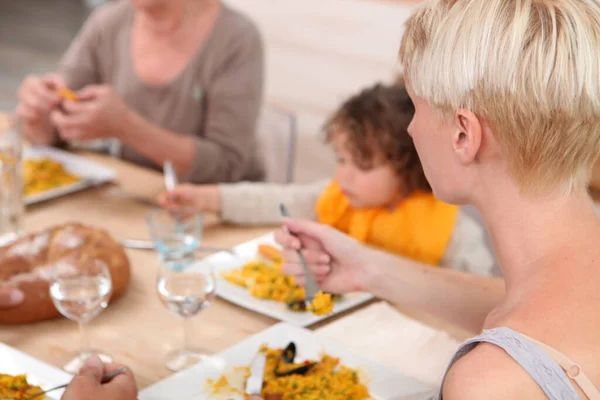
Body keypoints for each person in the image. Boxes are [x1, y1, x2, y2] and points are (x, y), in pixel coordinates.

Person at [275, 0, 600, 399]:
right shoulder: (562, 287)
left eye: (416, 106)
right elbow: (513, 300)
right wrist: (367, 268)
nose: (410, 128)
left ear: (463, 134)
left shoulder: (491, 383)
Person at [160, 83, 494, 275]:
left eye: (362, 166)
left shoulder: (453, 233)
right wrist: (208, 199)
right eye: (341, 160)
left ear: (412, 167)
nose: (342, 175)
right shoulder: (338, 197)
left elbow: (485, 299)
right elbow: (272, 201)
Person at [15, 0, 264, 183]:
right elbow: (54, 128)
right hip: (134, 195)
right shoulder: (109, 22)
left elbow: (227, 166)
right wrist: (38, 115)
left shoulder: (237, 39)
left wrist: (127, 127)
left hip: (212, 216)